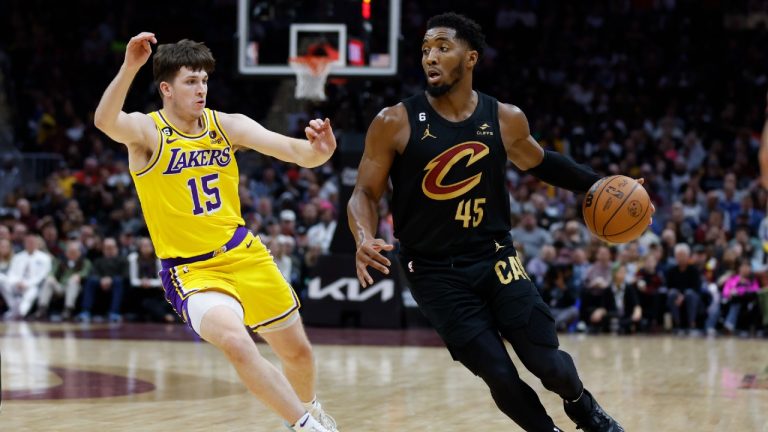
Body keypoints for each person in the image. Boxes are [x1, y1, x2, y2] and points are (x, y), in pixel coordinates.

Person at [348, 13, 628, 432]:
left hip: (495, 256)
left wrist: (602, 184)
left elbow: (544, 163)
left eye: (443, 47)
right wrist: (364, 236)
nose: (431, 57)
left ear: (471, 57)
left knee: (547, 362)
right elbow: (364, 193)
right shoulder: (395, 122)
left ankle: (582, 405)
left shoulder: (505, 118)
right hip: (433, 271)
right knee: (498, 372)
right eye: (426, 50)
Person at [94, 33, 338, 432]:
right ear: (167, 89)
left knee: (299, 354)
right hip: (192, 272)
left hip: (244, 254)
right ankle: (307, 426)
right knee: (238, 342)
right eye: (191, 81)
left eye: (205, 80)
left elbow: (298, 152)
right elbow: (105, 121)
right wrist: (130, 66)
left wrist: (321, 150)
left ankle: (310, 409)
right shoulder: (148, 132)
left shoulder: (226, 125)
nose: (201, 89)